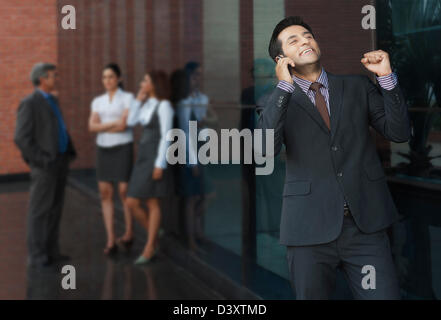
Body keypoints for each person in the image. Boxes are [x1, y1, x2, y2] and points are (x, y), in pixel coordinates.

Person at [256, 16, 411, 299]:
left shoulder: (356, 86)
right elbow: (261, 152)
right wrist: (284, 88)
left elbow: (399, 132)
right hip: (308, 231)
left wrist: (386, 77)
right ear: (281, 59)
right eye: (294, 40)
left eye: (308, 36)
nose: (305, 41)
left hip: (365, 227)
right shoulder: (274, 102)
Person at [14, 63, 77, 271]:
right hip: (45, 165)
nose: (57, 79)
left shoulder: (54, 100)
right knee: (39, 211)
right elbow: (21, 138)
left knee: (55, 209)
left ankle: (52, 252)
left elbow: (59, 127)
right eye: (54, 76)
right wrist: (40, 160)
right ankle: (37, 255)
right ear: (42, 79)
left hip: (60, 161)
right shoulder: (30, 103)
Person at [124, 71, 174, 265]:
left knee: (148, 202)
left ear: (154, 83)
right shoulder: (148, 104)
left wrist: (160, 164)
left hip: (154, 156)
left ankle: (149, 247)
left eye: (145, 80)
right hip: (143, 156)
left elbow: (167, 135)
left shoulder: (164, 106)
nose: (141, 83)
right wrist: (138, 99)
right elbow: (130, 122)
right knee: (133, 202)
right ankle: (154, 235)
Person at [88, 63, 135, 255]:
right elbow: (91, 127)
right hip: (103, 149)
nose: (107, 81)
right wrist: (115, 122)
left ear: (119, 79)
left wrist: (104, 125)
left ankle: (129, 232)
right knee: (105, 193)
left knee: (124, 191)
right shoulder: (97, 101)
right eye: (104, 77)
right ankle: (110, 239)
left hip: (122, 147)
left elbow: (124, 127)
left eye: (111, 77)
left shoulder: (128, 98)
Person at [175, 62, 217, 252]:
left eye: (200, 75)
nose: (197, 79)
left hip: (202, 149)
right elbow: (185, 132)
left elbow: (211, 120)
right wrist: (192, 161)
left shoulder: (202, 98)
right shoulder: (183, 102)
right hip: (189, 152)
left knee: (206, 194)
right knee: (192, 198)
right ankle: (191, 238)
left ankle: (197, 231)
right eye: (194, 75)